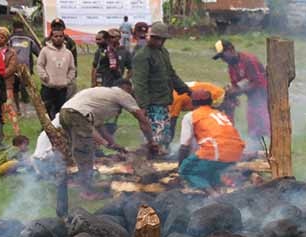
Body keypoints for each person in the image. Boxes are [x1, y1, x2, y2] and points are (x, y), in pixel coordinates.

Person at [59, 79, 157, 200]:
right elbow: (143, 120)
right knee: (85, 153)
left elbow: (98, 127)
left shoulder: (103, 97)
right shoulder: (122, 94)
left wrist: (113, 144)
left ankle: (76, 183)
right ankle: (87, 192)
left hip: (65, 112)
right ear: (127, 89)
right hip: (76, 114)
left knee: (78, 152)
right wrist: (151, 142)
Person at [132, 21, 190, 151]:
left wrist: (186, 90)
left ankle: (162, 158)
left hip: (163, 100)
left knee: (164, 134)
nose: (159, 42)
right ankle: (151, 162)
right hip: (151, 102)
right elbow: (140, 82)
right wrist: (142, 106)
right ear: (151, 37)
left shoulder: (163, 52)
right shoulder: (142, 55)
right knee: (154, 137)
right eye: (156, 38)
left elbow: (171, 73)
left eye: (161, 39)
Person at [178, 90, 245, 195]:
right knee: (212, 169)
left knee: (186, 170)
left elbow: (184, 146)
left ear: (193, 102)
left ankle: (213, 195)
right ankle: (219, 191)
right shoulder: (219, 114)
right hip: (237, 152)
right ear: (210, 102)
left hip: (217, 151)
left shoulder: (191, 116)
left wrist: (181, 165)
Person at [212, 39, 270, 150]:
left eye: (223, 55)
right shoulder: (231, 66)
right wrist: (231, 93)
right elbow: (236, 84)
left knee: (263, 121)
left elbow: (259, 82)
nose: (223, 59)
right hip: (252, 97)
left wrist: (238, 90)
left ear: (231, 50)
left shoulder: (248, 60)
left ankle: (269, 147)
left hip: (263, 95)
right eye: (221, 57)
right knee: (252, 124)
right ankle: (257, 147)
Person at [37, 28, 76, 119]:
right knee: (46, 111)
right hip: (48, 87)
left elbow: (72, 69)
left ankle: (59, 130)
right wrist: (44, 76)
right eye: (56, 36)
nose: (58, 38)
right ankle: (46, 130)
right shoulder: (45, 51)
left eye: (61, 36)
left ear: (64, 38)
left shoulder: (68, 53)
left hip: (62, 88)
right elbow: (40, 65)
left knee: (60, 112)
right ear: (51, 38)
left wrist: (68, 80)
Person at [9, 21, 41, 113]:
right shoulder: (30, 38)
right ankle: (25, 109)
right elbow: (38, 52)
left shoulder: (10, 38)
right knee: (27, 88)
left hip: (13, 68)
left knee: (15, 89)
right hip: (27, 69)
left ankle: (18, 109)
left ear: (13, 28)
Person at [0, 26, 20, 136]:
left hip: (7, 84)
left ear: (6, 39)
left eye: (2, 37)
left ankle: (17, 132)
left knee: (9, 107)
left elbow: (12, 67)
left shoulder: (11, 52)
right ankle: (0, 134)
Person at [43, 18, 78, 99]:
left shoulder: (69, 42)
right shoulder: (46, 42)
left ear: (63, 28)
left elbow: (73, 60)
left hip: (65, 74)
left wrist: (72, 75)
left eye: (59, 27)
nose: (57, 28)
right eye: (55, 27)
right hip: (51, 75)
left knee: (67, 99)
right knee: (50, 101)